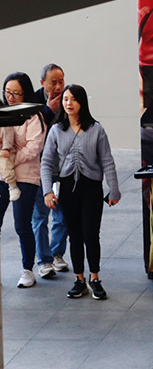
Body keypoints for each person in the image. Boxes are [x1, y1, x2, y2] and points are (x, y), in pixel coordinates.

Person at [40, 84, 120, 301]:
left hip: (92, 188)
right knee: (74, 235)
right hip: (67, 189)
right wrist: (47, 191)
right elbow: (46, 162)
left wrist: (114, 190)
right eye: (65, 99)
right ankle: (79, 279)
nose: (69, 103)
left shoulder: (96, 129)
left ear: (82, 102)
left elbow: (107, 161)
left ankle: (95, 278)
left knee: (91, 234)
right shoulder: (56, 130)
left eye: (73, 99)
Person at [0, 72, 51, 287]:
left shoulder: (34, 116)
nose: (11, 98)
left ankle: (27, 270)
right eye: (8, 93)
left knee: (22, 225)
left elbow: (33, 148)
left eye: (16, 93)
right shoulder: (2, 114)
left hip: (26, 176)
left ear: (26, 94)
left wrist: (10, 158)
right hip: (2, 175)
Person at [34, 63, 67, 278]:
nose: (58, 87)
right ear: (42, 83)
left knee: (62, 214)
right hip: (39, 169)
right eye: (53, 82)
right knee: (40, 215)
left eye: (61, 81)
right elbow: (33, 134)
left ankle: (57, 254)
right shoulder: (34, 101)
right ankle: (44, 260)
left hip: (63, 168)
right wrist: (48, 111)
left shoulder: (68, 99)